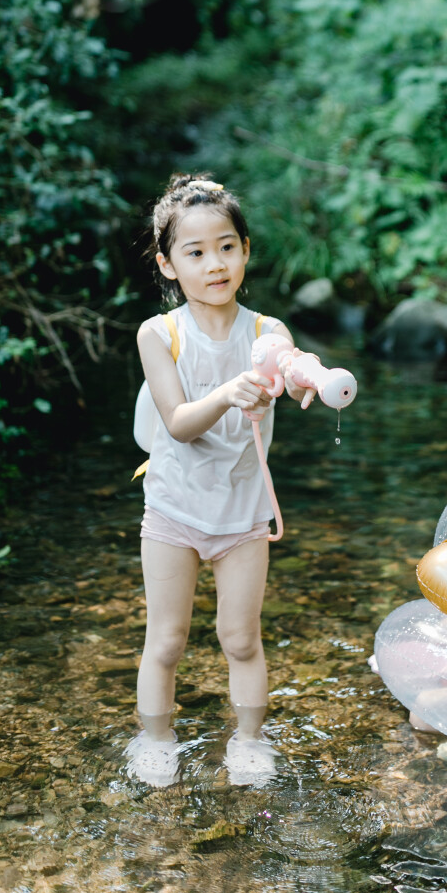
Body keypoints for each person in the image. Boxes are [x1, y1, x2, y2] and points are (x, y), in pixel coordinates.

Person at [125, 173, 308, 789]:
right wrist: (230, 393)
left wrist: (305, 378)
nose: (214, 264)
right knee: (168, 640)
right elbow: (177, 423)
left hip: (243, 512)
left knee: (241, 638)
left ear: (247, 250)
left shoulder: (268, 332)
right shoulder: (161, 334)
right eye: (195, 252)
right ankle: (156, 741)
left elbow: (290, 364)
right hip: (174, 509)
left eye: (227, 246)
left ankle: (250, 741)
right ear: (168, 264)